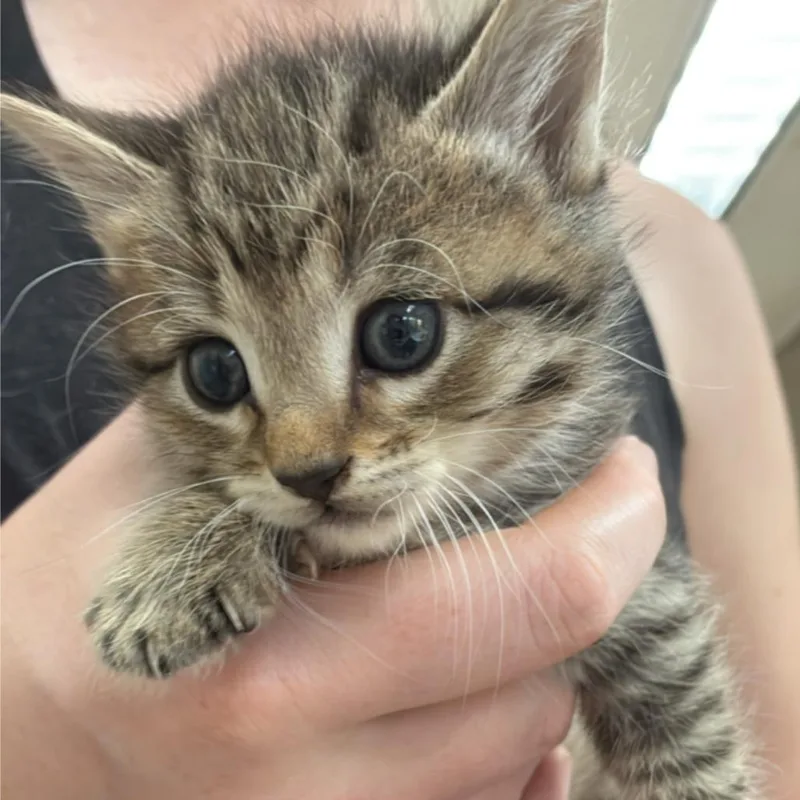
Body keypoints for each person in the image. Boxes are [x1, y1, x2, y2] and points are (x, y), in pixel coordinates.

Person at [2, 1, 799, 799]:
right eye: (222, 374)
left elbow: (690, 700)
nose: (303, 456)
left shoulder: (691, 263)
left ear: (543, 134)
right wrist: (41, 736)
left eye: (400, 336)